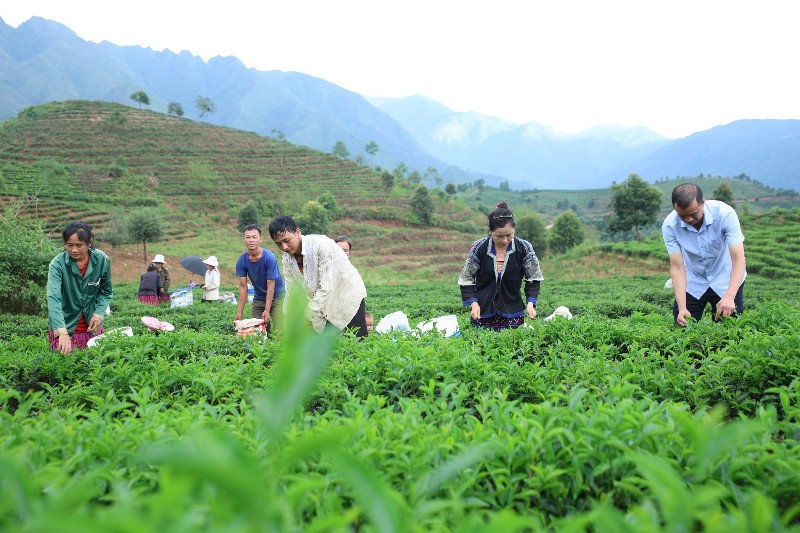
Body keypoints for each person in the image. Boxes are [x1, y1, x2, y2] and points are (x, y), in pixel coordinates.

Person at [269, 215, 368, 337]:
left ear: (297, 233)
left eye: (287, 240)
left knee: (357, 342)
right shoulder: (287, 259)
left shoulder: (320, 245)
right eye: (279, 244)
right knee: (331, 347)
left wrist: (306, 317)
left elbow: (326, 287)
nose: (284, 247)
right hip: (323, 304)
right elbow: (291, 291)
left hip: (347, 295)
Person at [662, 183, 746, 327]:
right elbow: (677, 267)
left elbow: (738, 259)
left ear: (702, 202)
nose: (688, 219)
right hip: (693, 279)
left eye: (693, 214)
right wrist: (682, 308)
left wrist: (730, 296)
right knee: (682, 327)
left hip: (725, 276)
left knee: (730, 330)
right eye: (682, 215)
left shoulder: (725, 214)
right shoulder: (670, 225)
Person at [458, 202, 543, 330]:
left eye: (509, 235)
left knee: (511, 346)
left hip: (513, 311)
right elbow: (467, 279)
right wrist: (474, 304)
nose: (504, 240)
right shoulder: (479, 248)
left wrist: (530, 303)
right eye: (499, 236)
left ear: (514, 230)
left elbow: (533, 279)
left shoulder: (524, 248)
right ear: (490, 232)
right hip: (482, 311)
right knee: (483, 346)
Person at [47, 221, 113, 354]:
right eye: (69, 245)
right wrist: (62, 332)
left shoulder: (101, 260)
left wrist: (99, 313)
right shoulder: (57, 265)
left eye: (79, 245)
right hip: (67, 327)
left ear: (89, 243)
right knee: (64, 368)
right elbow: (54, 298)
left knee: (93, 368)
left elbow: (106, 291)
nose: (74, 250)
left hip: (92, 328)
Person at [234, 224, 286, 333]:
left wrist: (267, 310)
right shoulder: (242, 260)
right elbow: (243, 287)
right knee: (258, 330)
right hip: (259, 298)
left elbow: (271, 285)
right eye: (248, 237)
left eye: (254, 237)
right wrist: (239, 312)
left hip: (278, 296)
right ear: (244, 240)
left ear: (260, 239)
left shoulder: (269, 257)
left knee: (279, 330)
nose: (251, 240)